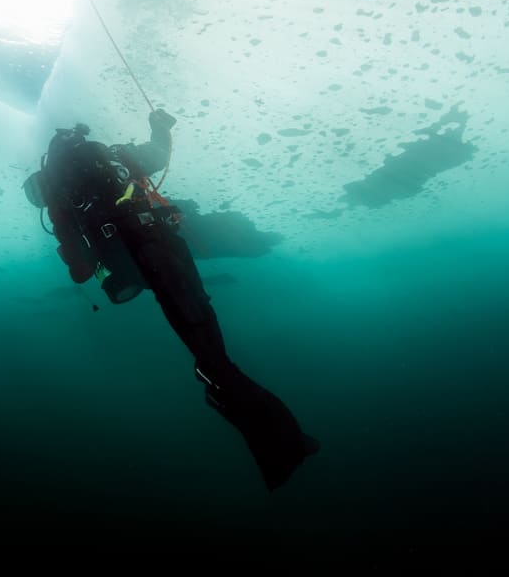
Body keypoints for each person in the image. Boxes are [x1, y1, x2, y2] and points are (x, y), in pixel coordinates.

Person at [22, 109, 319, 490]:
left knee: (205, 342)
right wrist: (159, 127)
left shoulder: (61, 196)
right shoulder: (112, 157)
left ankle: (270, 436)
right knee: (205, 330)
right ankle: (279, 442)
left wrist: (99, 262)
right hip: (166, 246)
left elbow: (79, 270)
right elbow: (158, 155)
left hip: (139, 267)